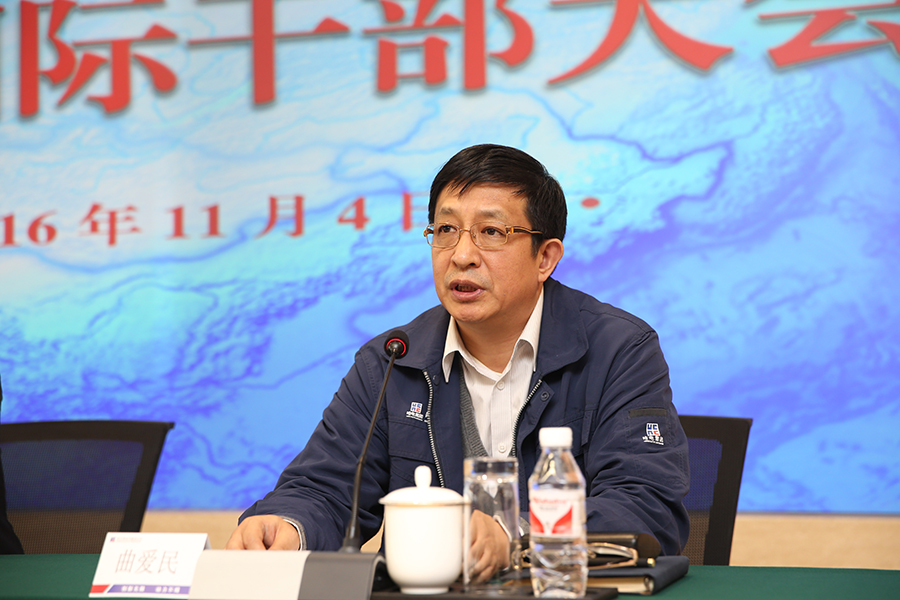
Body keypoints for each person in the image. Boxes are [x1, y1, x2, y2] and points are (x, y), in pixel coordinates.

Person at [227, 144, 690, 581]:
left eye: (491, 232)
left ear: (545, 257)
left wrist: (515, 535)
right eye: (446, 230)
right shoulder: (393, 359)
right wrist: (287, 525)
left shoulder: (618, 349)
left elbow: (645, 504)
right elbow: (325, 488)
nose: (461, 256)